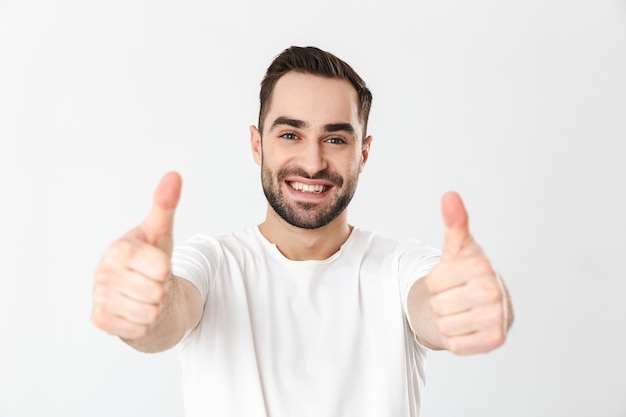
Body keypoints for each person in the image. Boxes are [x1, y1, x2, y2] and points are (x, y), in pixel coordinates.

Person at [92, 46, 514, 417]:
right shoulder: (213, 263)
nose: (312, 163)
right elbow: (167, 315)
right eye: (291, 134)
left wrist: (471, 305)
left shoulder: (400, 266)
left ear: (363, 153)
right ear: (258, 145)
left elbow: (435, 306)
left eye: (335, 139)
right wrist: (144, 306)